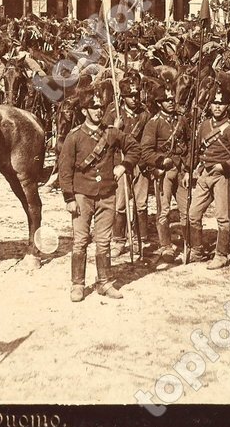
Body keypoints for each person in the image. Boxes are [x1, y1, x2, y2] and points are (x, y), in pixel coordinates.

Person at [57, 90, 139, 302]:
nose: (98, 111)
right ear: (84, 110)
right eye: (93, 108)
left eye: (100, 107)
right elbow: (64, 170)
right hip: (82, 195)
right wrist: (69, 198)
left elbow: (134, 148)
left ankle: (105, 282)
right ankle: (77, 285)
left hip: (107, 194)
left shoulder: (111, 133)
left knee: (103, 241)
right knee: (80, 241)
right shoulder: (74, 136)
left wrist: (124, 166)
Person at [188, 88, 230, 269]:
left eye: (221, 104)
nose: (217, 107)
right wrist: (195, 168)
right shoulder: (204, 125)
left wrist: (225, 166)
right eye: (215, 103)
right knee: (193, 214)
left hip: (221, 176)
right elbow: (197, 151)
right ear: (210, 105)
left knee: (222, 217)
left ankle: (221, 254)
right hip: (205, 174)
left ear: (227, 106)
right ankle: (197, 250)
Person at [141, 86, 188, 269]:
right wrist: (160, 162)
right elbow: (146, 151)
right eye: (166, 100)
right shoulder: (154, 123)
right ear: (159, 103)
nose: (170, 103)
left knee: (187, 209)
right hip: (165, 171)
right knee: (164, 210)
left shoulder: (181, 120)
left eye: (172, 100)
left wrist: (188, 165)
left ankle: (190, 243)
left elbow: (189, 143)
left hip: (181, 169)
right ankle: (166, 246)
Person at [110, 81, 151, 259]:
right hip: (121, 163)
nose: (134, 99)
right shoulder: (114, 113)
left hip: (140, 163)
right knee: (120, 204)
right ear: (123, 97)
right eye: (130, 96)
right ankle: (118, 241)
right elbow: (105, 139)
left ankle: (140, 240)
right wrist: (114, 128)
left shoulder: (145, 114)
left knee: (141, 204)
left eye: (136, 95)